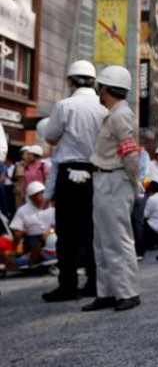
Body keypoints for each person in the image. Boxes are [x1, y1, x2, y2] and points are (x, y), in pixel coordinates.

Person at [41, 60, 108, 303]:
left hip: (69, 174)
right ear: (94, 82)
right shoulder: (103, 109)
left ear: (70, 81)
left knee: (67, 233)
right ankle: (93, 281)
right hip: (95, 173)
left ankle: (67, 285)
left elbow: (50, 137)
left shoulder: (64, 106)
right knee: (93, 230)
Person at [82, 66, 141, 312]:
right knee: (102, 240)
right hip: (106, 179)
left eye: (100, 86)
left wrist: (133, 182)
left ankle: (128, 292)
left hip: (115, 179)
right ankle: (107, 292)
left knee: (118, 238)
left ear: (105, 87)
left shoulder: (120, 116)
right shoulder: (114, 113)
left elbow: (129, 153)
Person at [7, 181, 55, 268]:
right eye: (36, 195)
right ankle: (35, 257)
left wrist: (49, 232)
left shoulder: (52, 206)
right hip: (32, 238)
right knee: (34, 244)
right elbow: (17, 232)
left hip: (51, 236)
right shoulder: (23, 210)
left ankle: (40, 257)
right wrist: (17, 239)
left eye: (41, 193)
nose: (40, 197)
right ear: (30, 197)